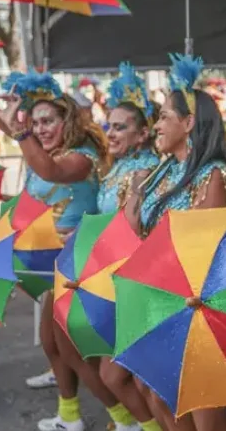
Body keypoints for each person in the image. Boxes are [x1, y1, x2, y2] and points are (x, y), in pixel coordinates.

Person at [0, 72, 146, 431]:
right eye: (35, 123)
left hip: (86, 265)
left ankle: (127, 419)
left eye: (48, 121)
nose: (40, 129)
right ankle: (72, 415)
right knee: (53, 345)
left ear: (68, 120)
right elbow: (18, 136)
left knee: (75, 350)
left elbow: (49, 170)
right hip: (58, 262)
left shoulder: (82, 157)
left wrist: (21, 132)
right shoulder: (43, 149)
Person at [125, 53, 226, 431]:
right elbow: (134, 230)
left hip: (199, 304)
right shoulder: (165, 172)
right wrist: (136, 193)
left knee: (203, 409)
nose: (156, 125)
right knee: (157, 393)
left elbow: (204, 249)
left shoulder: (214, 175)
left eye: (164, 117)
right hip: (163, 296)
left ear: (189, 123)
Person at [97, 62, 164, 431]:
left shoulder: (146, 170)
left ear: (143, 134)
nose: (110, 133)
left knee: (132, 377)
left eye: (120, 127)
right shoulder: (118, 167)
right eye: (109, 125)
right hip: (113, 276)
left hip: (140, 282)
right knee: (123, 376)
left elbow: (135, 229)